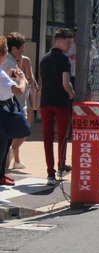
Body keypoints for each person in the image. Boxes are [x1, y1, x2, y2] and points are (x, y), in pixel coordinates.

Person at [39, 28, 75, 185]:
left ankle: (50, 172)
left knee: (47, 137)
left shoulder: (44, 59)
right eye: (67, 43)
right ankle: (61, 165)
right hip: (61, 102)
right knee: (62, 136)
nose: (69, 47)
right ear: (58, 42)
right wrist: (72, 93)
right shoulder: (65, 60)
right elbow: (65, 83)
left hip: (45, 102)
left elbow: (42, 82)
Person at [2, 32, 37, 171]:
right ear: (14, 49)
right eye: (22, 47)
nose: (23, 50)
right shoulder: (9, 63)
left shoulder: (14, 61)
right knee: (22, 131)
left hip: (13, 105)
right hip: (12, 105)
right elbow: (18, 89)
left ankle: (9, 162)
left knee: (10, 136)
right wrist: (23, 79)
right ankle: (8, 158)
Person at [0, 36, 27, 186]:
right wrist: (22, 79)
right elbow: (18, 91)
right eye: (4, 52)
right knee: (3, 143)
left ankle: (1, 174)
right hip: (3, 110)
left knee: (4, 142)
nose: (6, 55)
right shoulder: (1, 75)